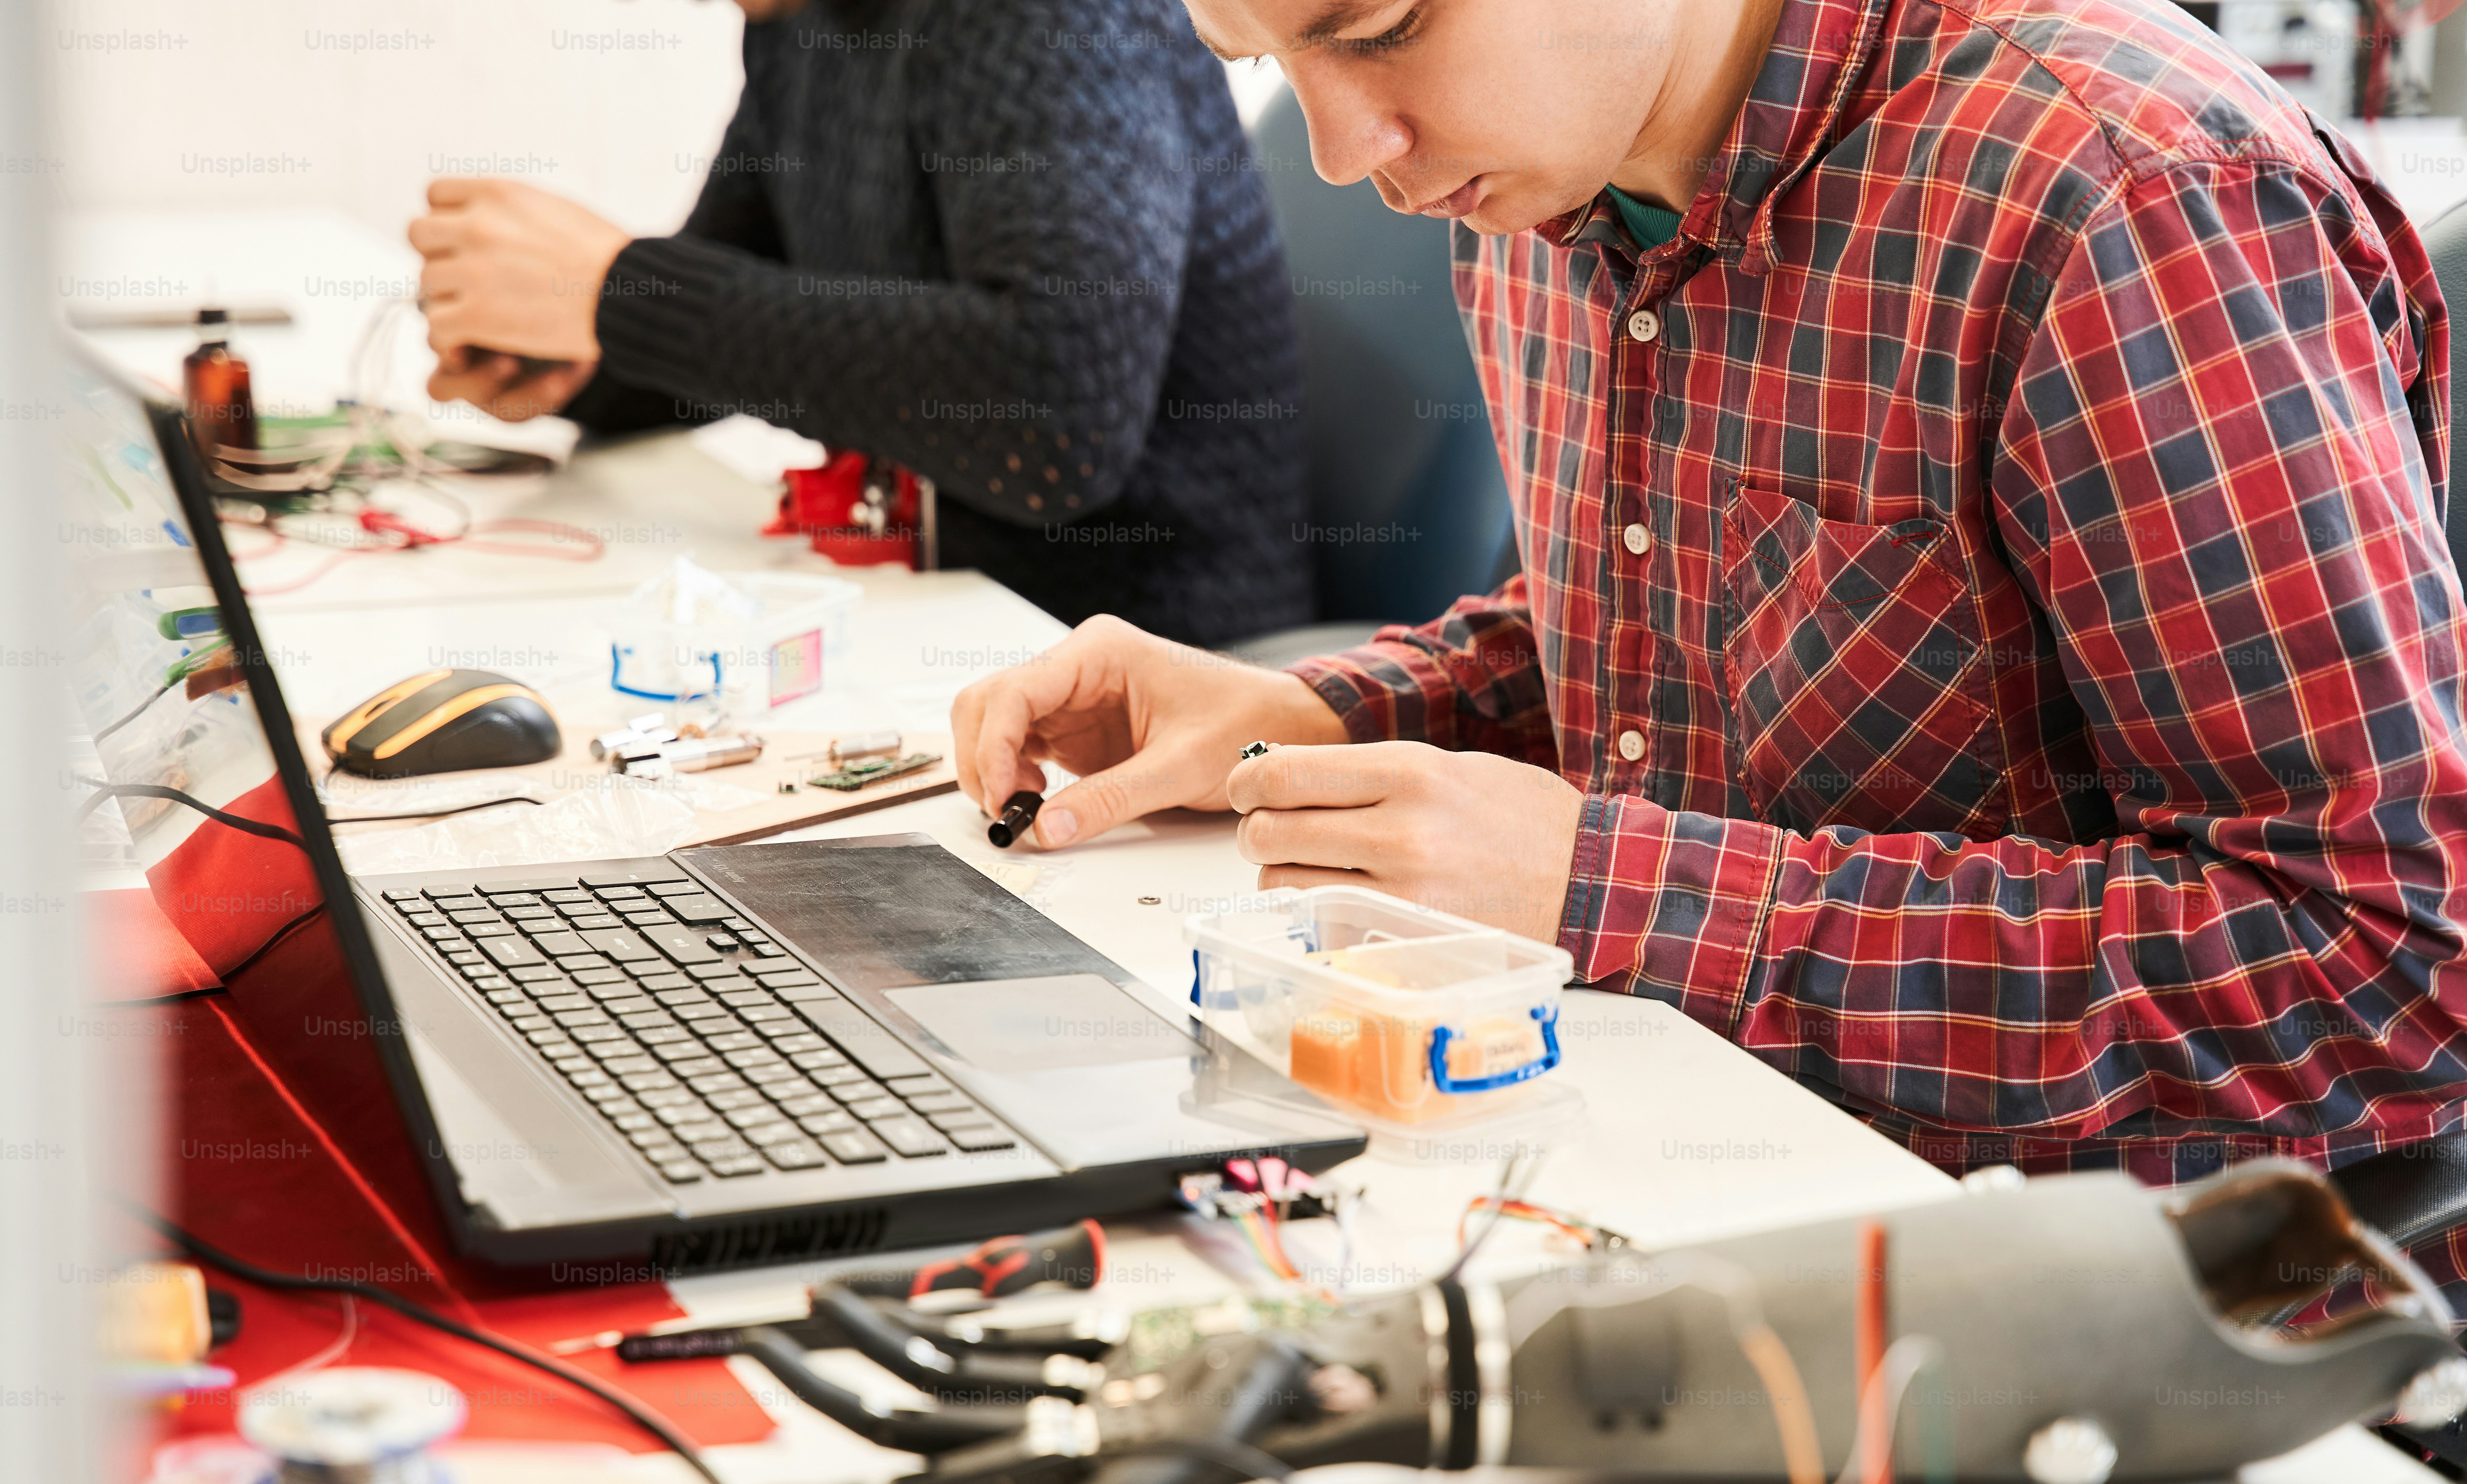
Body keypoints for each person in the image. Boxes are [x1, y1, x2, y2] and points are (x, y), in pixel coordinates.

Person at [952, 0, 2467, 1305]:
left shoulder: (2125, 199)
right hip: (1685, 1169)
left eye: (1379, 29)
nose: (1349, 156)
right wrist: (1319, 712)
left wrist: (1607, 890)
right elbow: (1681, 642)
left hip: (2136, 1307)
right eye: (1264, 57)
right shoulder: (1539, 182)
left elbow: (2388, 959)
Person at [407, 0, 1311, 647]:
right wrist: (580, 349)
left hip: (1143, 651)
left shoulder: (1051, 22)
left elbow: (1056, 414)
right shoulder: (798, 20)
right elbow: (740, 291)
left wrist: (620, 291)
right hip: (939, 618)